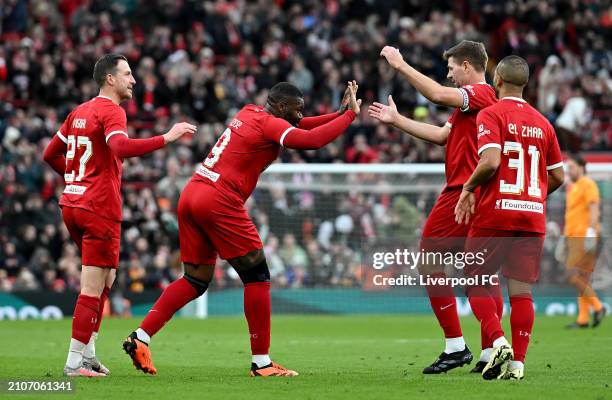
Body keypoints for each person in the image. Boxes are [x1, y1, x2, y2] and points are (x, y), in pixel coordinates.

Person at [123, 81, 361, 377]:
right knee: (257, 276)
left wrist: (338, 113)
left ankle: (140, 337)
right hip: (219, 200)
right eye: (297, 110)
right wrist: (350, 118)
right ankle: (261, 363)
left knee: (195, 280)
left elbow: (304, 126)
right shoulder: (270, 124)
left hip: (193, 192)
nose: (300, 116)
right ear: (282, 107)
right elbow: (310, 141)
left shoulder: (250, 112)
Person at [43, 54, 196, 377]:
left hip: (73, 205)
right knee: (92, 286)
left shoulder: (79, 111)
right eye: (127, 74)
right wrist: (166, 138)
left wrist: (75, 181)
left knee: (106, 280)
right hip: (98, 208)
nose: (134, 80)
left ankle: (88, 355)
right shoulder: (112, 111)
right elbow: (121, 148)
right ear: (110, 79)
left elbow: (50, 154)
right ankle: (73, 364)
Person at [368, 40, 498, 374]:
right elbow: (443, 136)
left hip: (461, 191)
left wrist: (400, 65)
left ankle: (456, 345)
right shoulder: (472, 106)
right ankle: (490, 350)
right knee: (479, 270)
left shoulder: (481, 94)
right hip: (479, 191)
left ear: (468, 66)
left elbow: (438, 94)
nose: (450, 74)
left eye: (453, 68)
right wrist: (397, 120)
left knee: (429, 261)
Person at [454, 55, 565, 380]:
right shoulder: (544, 123)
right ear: (525, 84)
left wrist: (467, 189)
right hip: (532, 217)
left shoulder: (490, 113)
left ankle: (498, 340)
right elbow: (557, 176)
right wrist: (532, 196)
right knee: (521, 292)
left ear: (497, 81)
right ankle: (518, 364)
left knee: (474, 276)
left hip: (495, 214)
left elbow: (489, 161)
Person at [559, 154, 606, 329]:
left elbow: (594, 208)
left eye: (571, 167)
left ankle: (598, 307)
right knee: (582, 278)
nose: (568, 171)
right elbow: (571, 214)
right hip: (573, 237)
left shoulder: (588, 184)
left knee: (571, 275)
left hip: (583, 236)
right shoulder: (572, 187)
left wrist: (591, 233)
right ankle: (583, 319)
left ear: (581, 167)